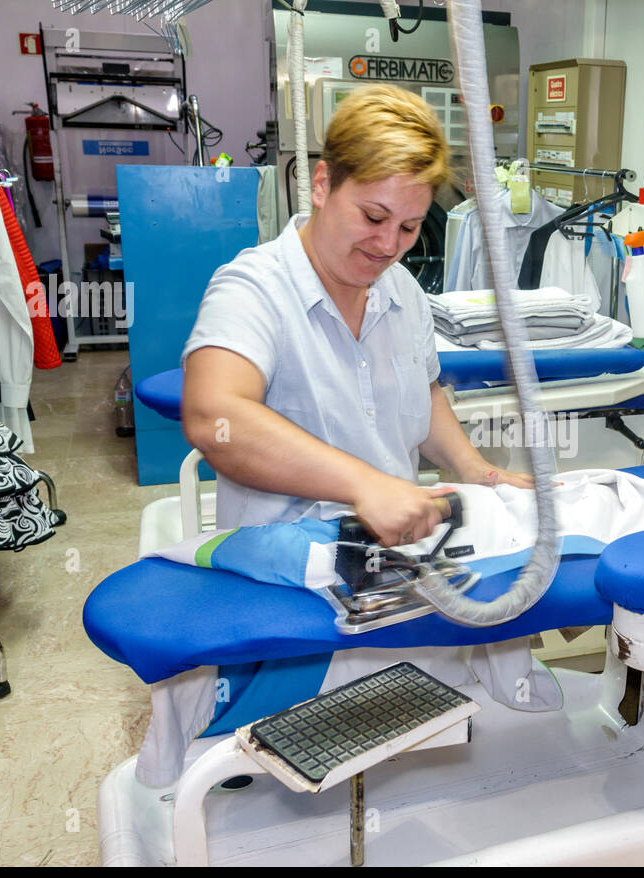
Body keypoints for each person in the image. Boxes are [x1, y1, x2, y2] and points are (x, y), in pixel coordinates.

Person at [181, 84, 531, 547]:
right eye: (372, 217)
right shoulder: (252, 288)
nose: (389, 246)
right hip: (282, 564)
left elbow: (424, 396)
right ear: (323, 185)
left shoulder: (403, 292)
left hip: (393, 562)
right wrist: (364, 485)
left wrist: (477, 471)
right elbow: (214, 419)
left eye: (408, 227)